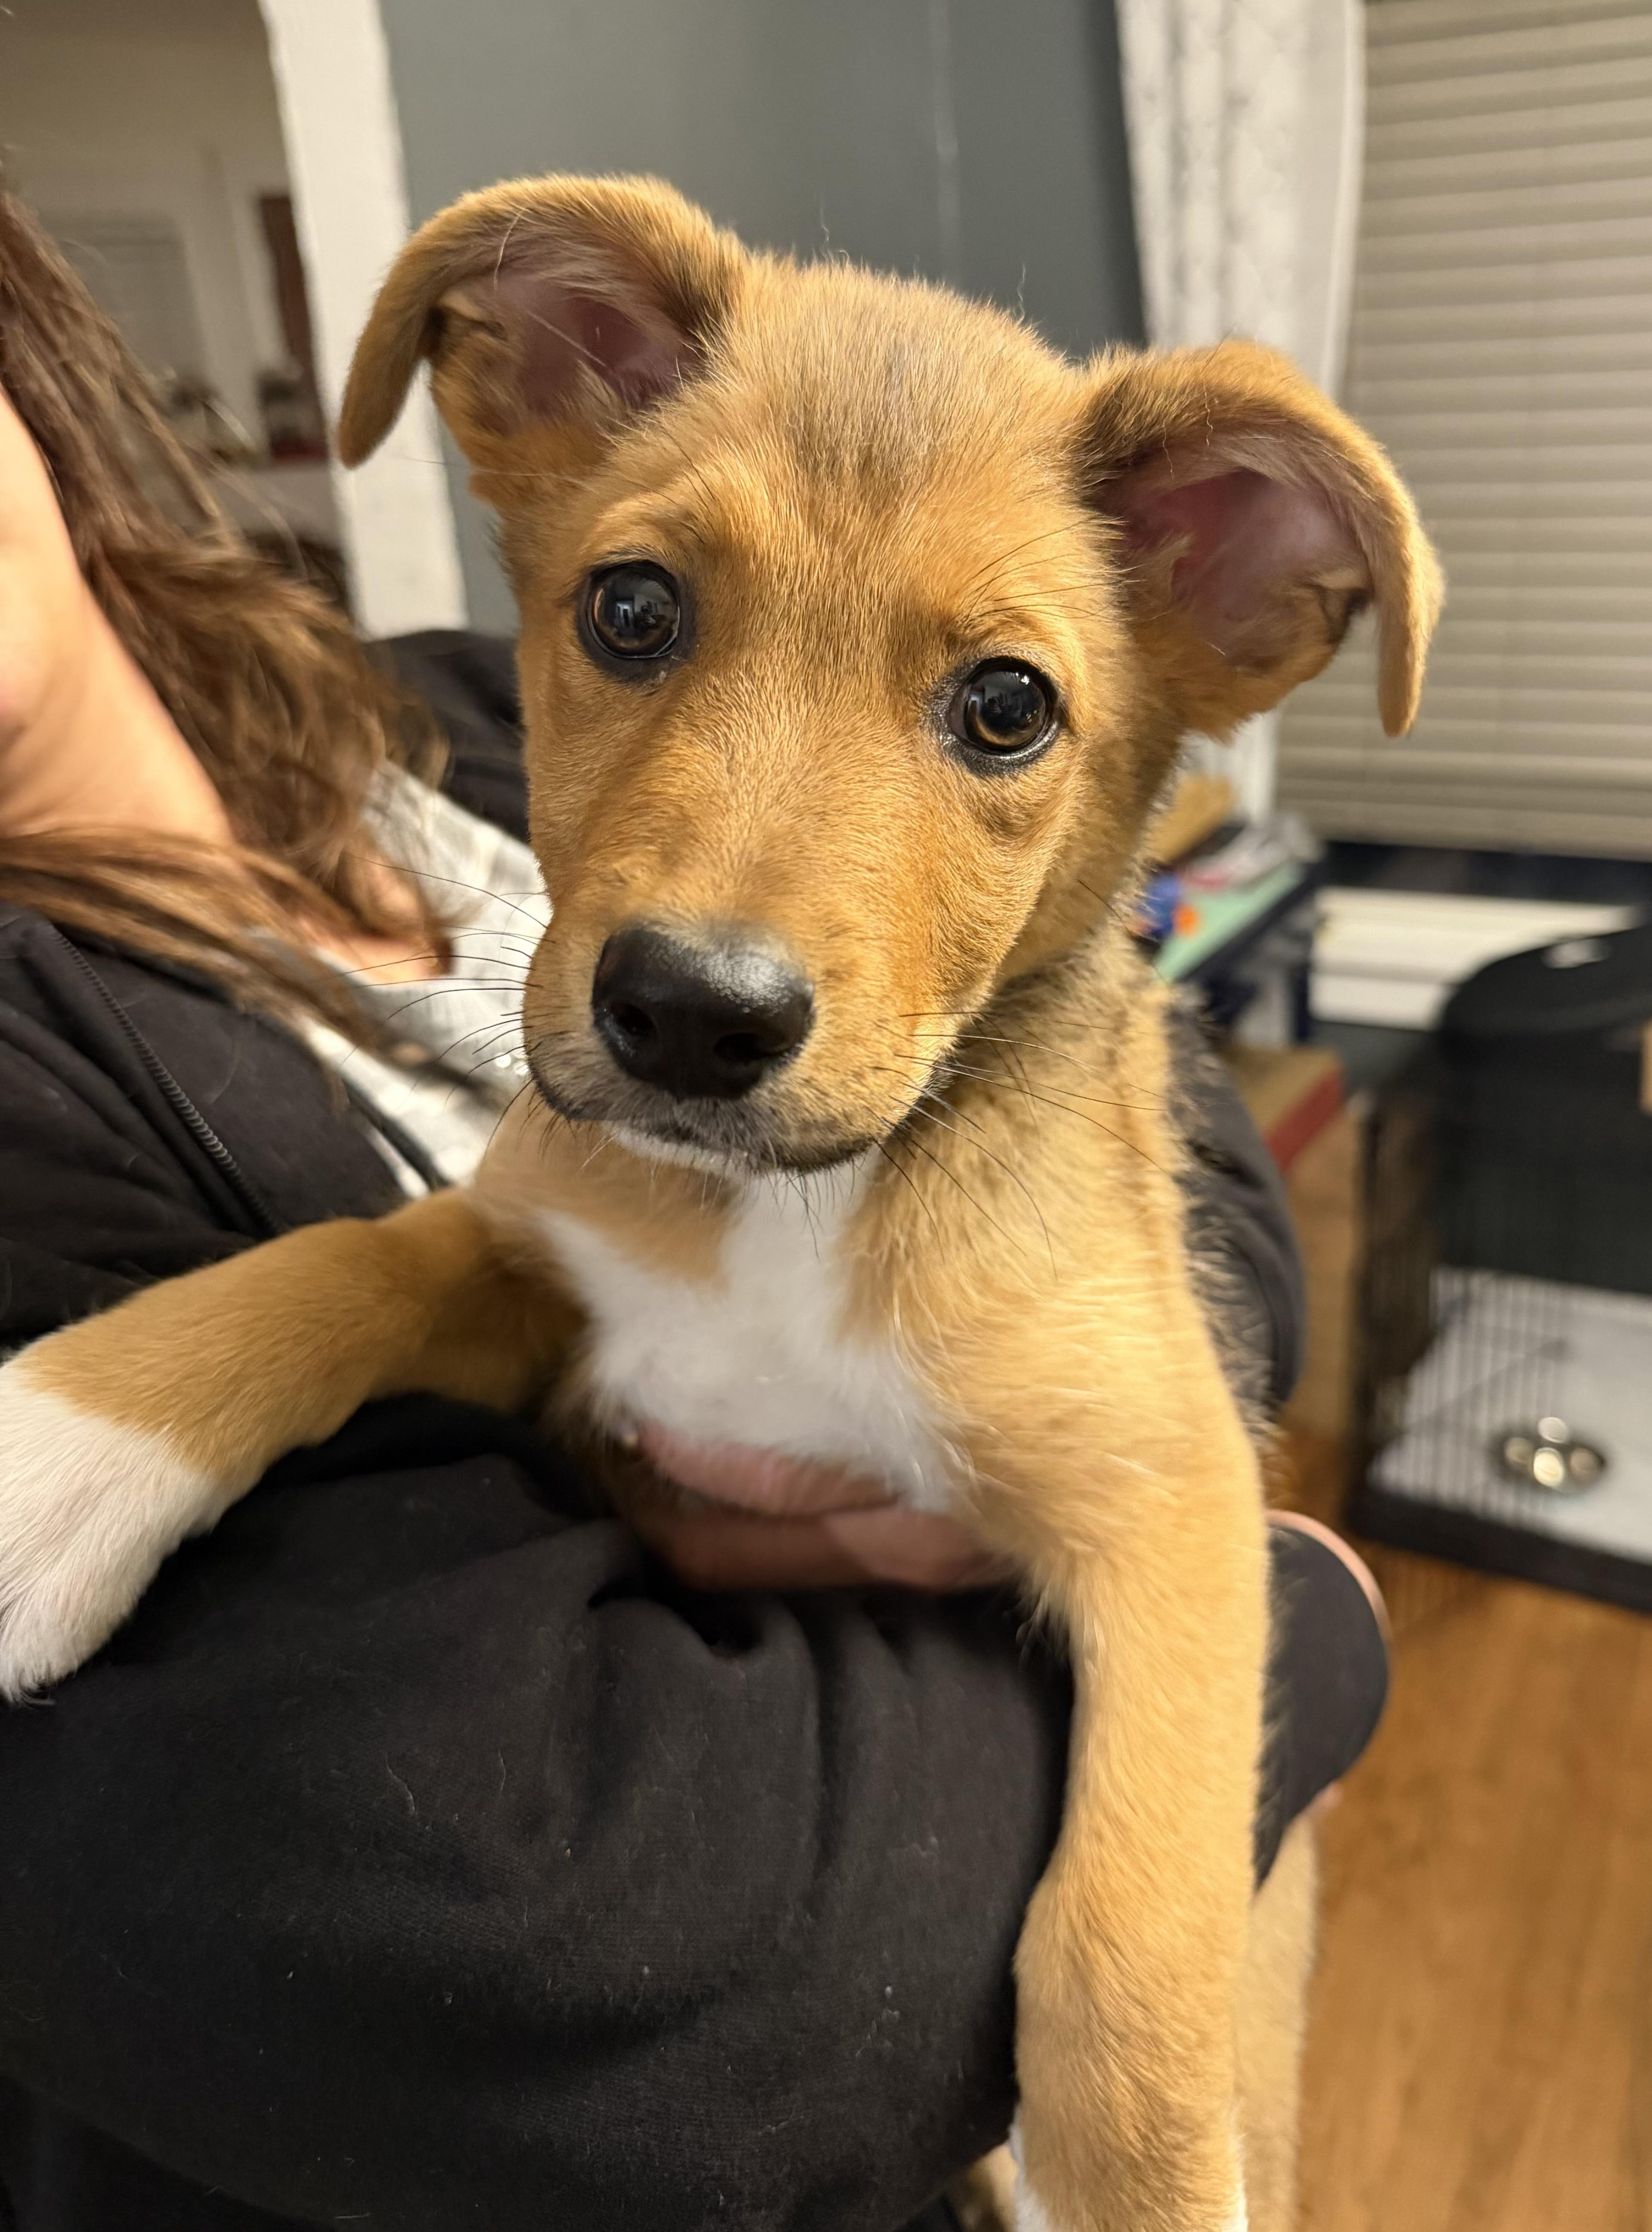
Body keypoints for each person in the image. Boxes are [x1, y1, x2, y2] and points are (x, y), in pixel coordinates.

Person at [0, 190, 1387, 2232]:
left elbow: (1174, 1203)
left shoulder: (418, 705)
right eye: (641, 621)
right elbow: (621, 1953)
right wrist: (1322, 1622)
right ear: (534, 388)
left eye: (992, 706)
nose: (721, 920)